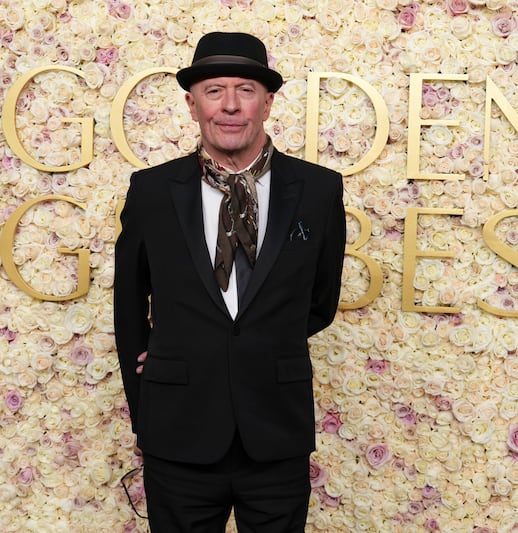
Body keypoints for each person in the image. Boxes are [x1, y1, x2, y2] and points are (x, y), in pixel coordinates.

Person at [114, 31, 345, 533]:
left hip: (276, 432)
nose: (231, 105)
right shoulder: (152, 190)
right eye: (215, 90)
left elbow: (321, 301)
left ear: (267, 102)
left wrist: (252, 348)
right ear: (192, 104)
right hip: (178, 432)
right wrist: (148, 407)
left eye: (245, 89)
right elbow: (129, 310)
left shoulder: (318, 190)